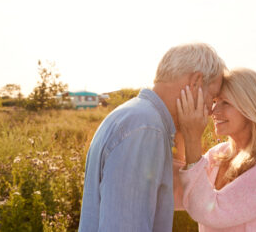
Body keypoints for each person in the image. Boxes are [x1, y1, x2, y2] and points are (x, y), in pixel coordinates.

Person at [78, 43, 227, 232]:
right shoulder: (147, 129)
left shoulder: (137, 116)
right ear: (196, 82)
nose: (211, 109)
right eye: (212, 97)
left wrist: (187, 135)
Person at [173, 68, 256, 231]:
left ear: (252, 107)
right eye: (215, 101)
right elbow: (181, 194)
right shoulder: (218, 154)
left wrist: (192, 137)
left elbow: (211, 212)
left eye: (225, 102)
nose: (214, 111)